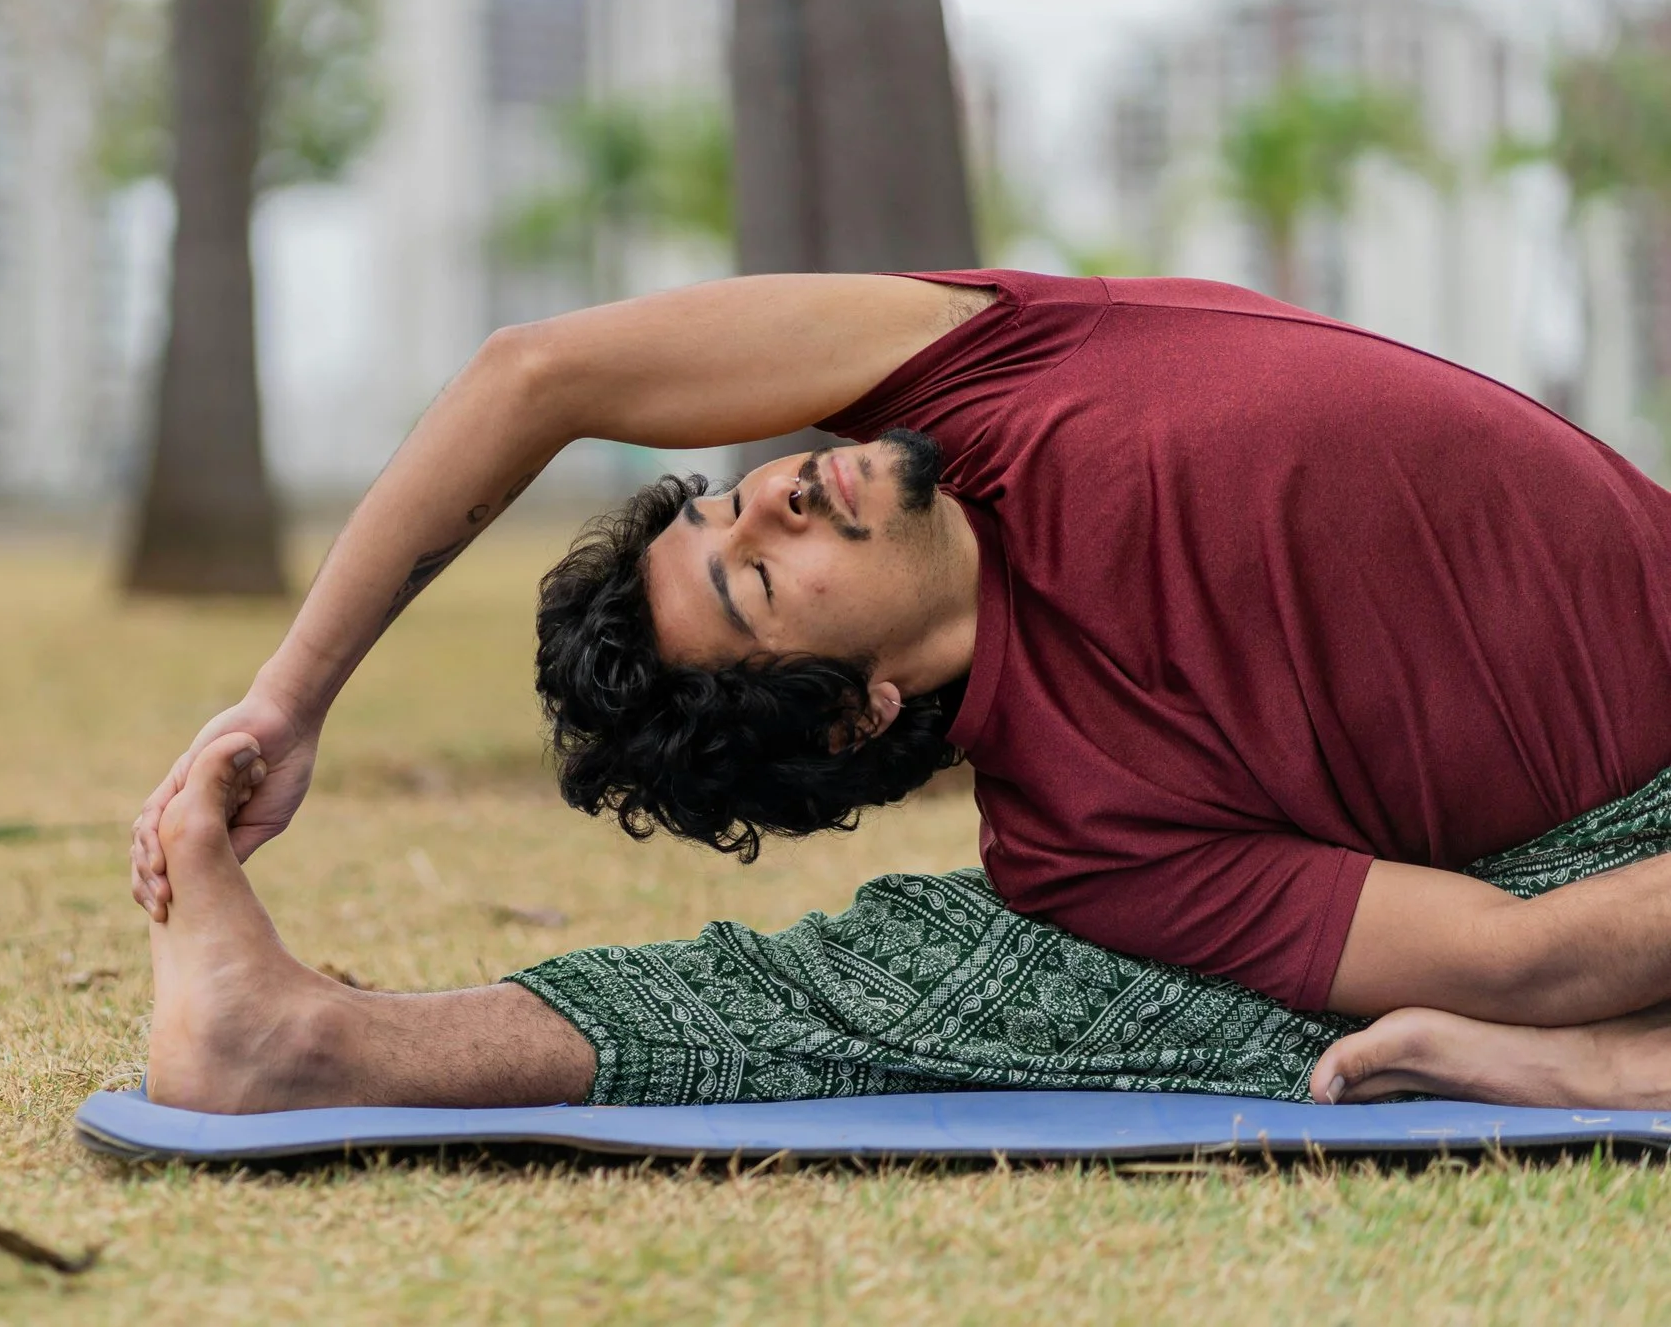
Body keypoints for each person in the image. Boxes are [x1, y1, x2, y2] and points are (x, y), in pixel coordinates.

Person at [129, 270, 1671, 1113]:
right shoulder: (1084, 849)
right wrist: (1545, 1018)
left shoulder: (985, 369)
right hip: (1611, 863)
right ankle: (306, 1041)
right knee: (960, 976)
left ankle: (1628, 1062)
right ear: (853, 709)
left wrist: (292, 695)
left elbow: (539, 376)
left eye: (721, 503)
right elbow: (1521, 953)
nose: (776, 494)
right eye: (751, 578)